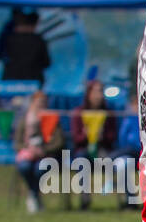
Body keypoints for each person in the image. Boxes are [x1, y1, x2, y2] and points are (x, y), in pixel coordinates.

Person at [70, 79, 119, 210]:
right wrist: (84, 135)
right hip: (84, 150)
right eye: (96, 92)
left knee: (118, 162)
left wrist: (103, 136)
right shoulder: (79, 112)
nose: (99, 95)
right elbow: (75, 138)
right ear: (89, 94)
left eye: (101, 92)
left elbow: (113, 136)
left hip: (103, 150)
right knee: (81, 161)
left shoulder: (108, 113)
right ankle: (85, 200)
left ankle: (126, 202)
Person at [13, 90, 62, 214]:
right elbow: (17, 142)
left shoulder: (52, 119)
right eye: (38, 102)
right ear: (33, 103)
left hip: (47, 156)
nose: (40, 105)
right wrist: (28, 149)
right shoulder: (25, 120)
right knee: (24, 167)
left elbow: (59, 142)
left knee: (40, 169)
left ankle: (33, 195)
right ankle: (34, 195)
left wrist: (43, 150)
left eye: (43, 102)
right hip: (28, 155)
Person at [0, 10, 52, 84]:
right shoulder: (39, 40)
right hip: (34, 83)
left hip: (10, 83)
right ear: (34, 24)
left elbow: (0, 56)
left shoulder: (8, 39)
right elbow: (46, 63)